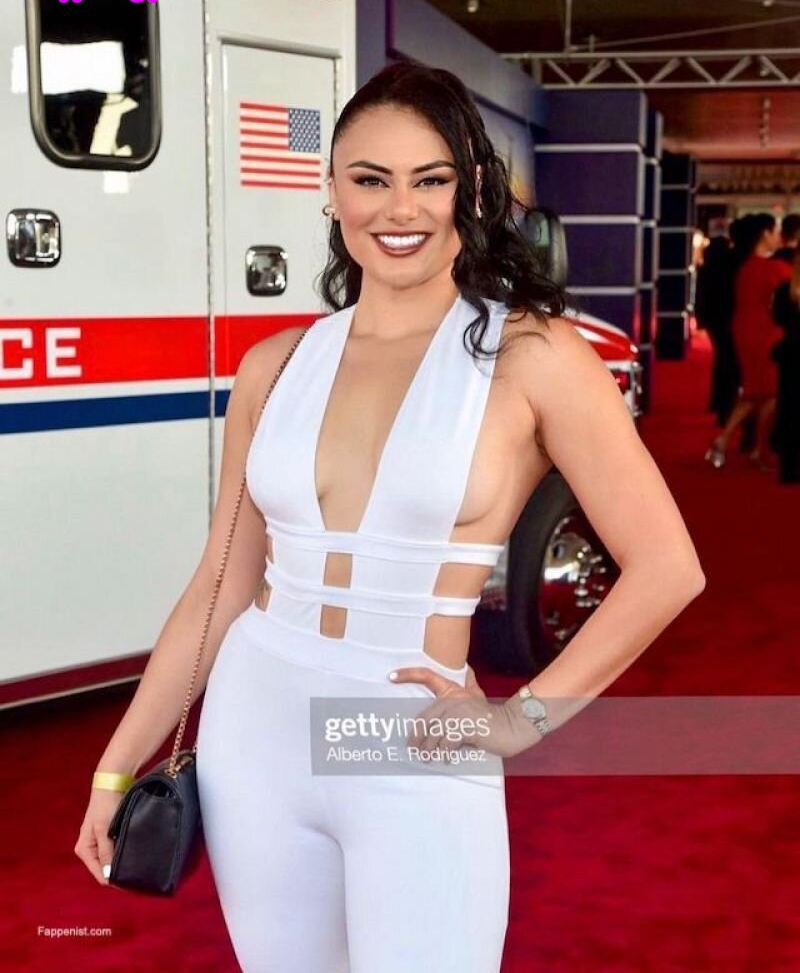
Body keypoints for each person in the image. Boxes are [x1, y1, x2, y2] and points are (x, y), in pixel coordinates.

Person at [75, 62, 706, 972]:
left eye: (430, 179)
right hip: (254, 728)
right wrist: (117, 764)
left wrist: (521, 720)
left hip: (411, 737)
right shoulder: (274, 365)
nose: (399, 209)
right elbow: (220, 584)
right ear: (332, 191)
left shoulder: (535, 355)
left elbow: (667, 567)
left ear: (471, 189)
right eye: (371, 179)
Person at [705, 214, 792, 471]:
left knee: (756, 392)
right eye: (774, 231)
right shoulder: (773, 268)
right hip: (767, 334)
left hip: (746, 332)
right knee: (771, 392)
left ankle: (726, 441)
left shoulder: (747, 267)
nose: (777, 237)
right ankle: (759, 449)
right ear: (765, 234)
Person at [694, 234, 738, 425]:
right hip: (727, 318)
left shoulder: (706, 269)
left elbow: (700, 296)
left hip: (714, 319)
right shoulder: (731, 269)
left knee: (721, 358)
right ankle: (723, 403)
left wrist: (701, 319)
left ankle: (718, 400)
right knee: (727, 361)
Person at [772, 256, 800, 483]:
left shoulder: (785, 290)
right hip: (791, 353)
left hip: (790, 354)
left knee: (789, 408)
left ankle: (788, 467)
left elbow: (777, 318)